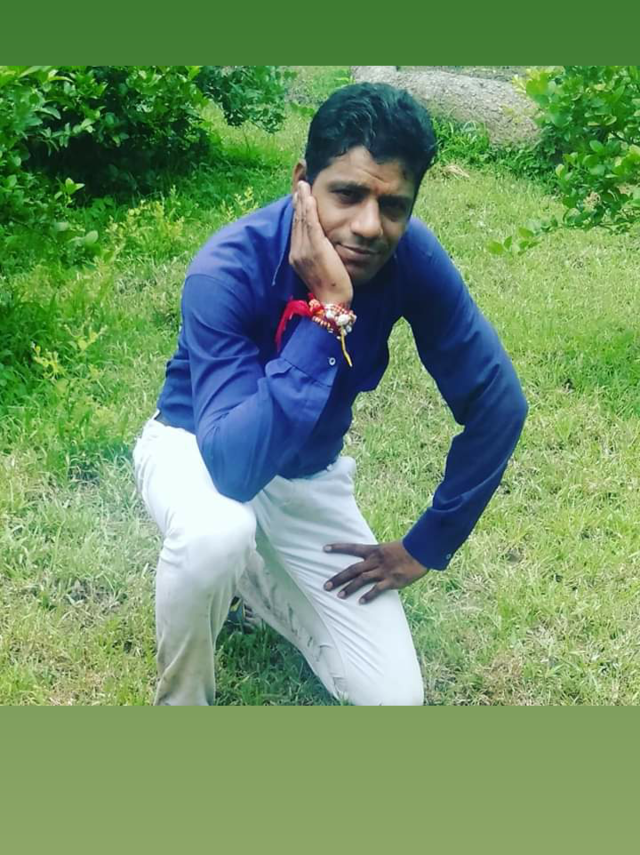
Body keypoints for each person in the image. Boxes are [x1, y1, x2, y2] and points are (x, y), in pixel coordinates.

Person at [132, 82, 528, 706]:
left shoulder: (411, 258)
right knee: (217, 532)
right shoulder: (227, 267)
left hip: (304, 474)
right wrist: (328, 310)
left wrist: (428, 544)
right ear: (303, 183)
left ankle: (253, 582)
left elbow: (499, 404)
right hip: (198, 447)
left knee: (393, 700)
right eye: (347, 194)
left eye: (393, 205)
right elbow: (232, 469)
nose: (368, 226)